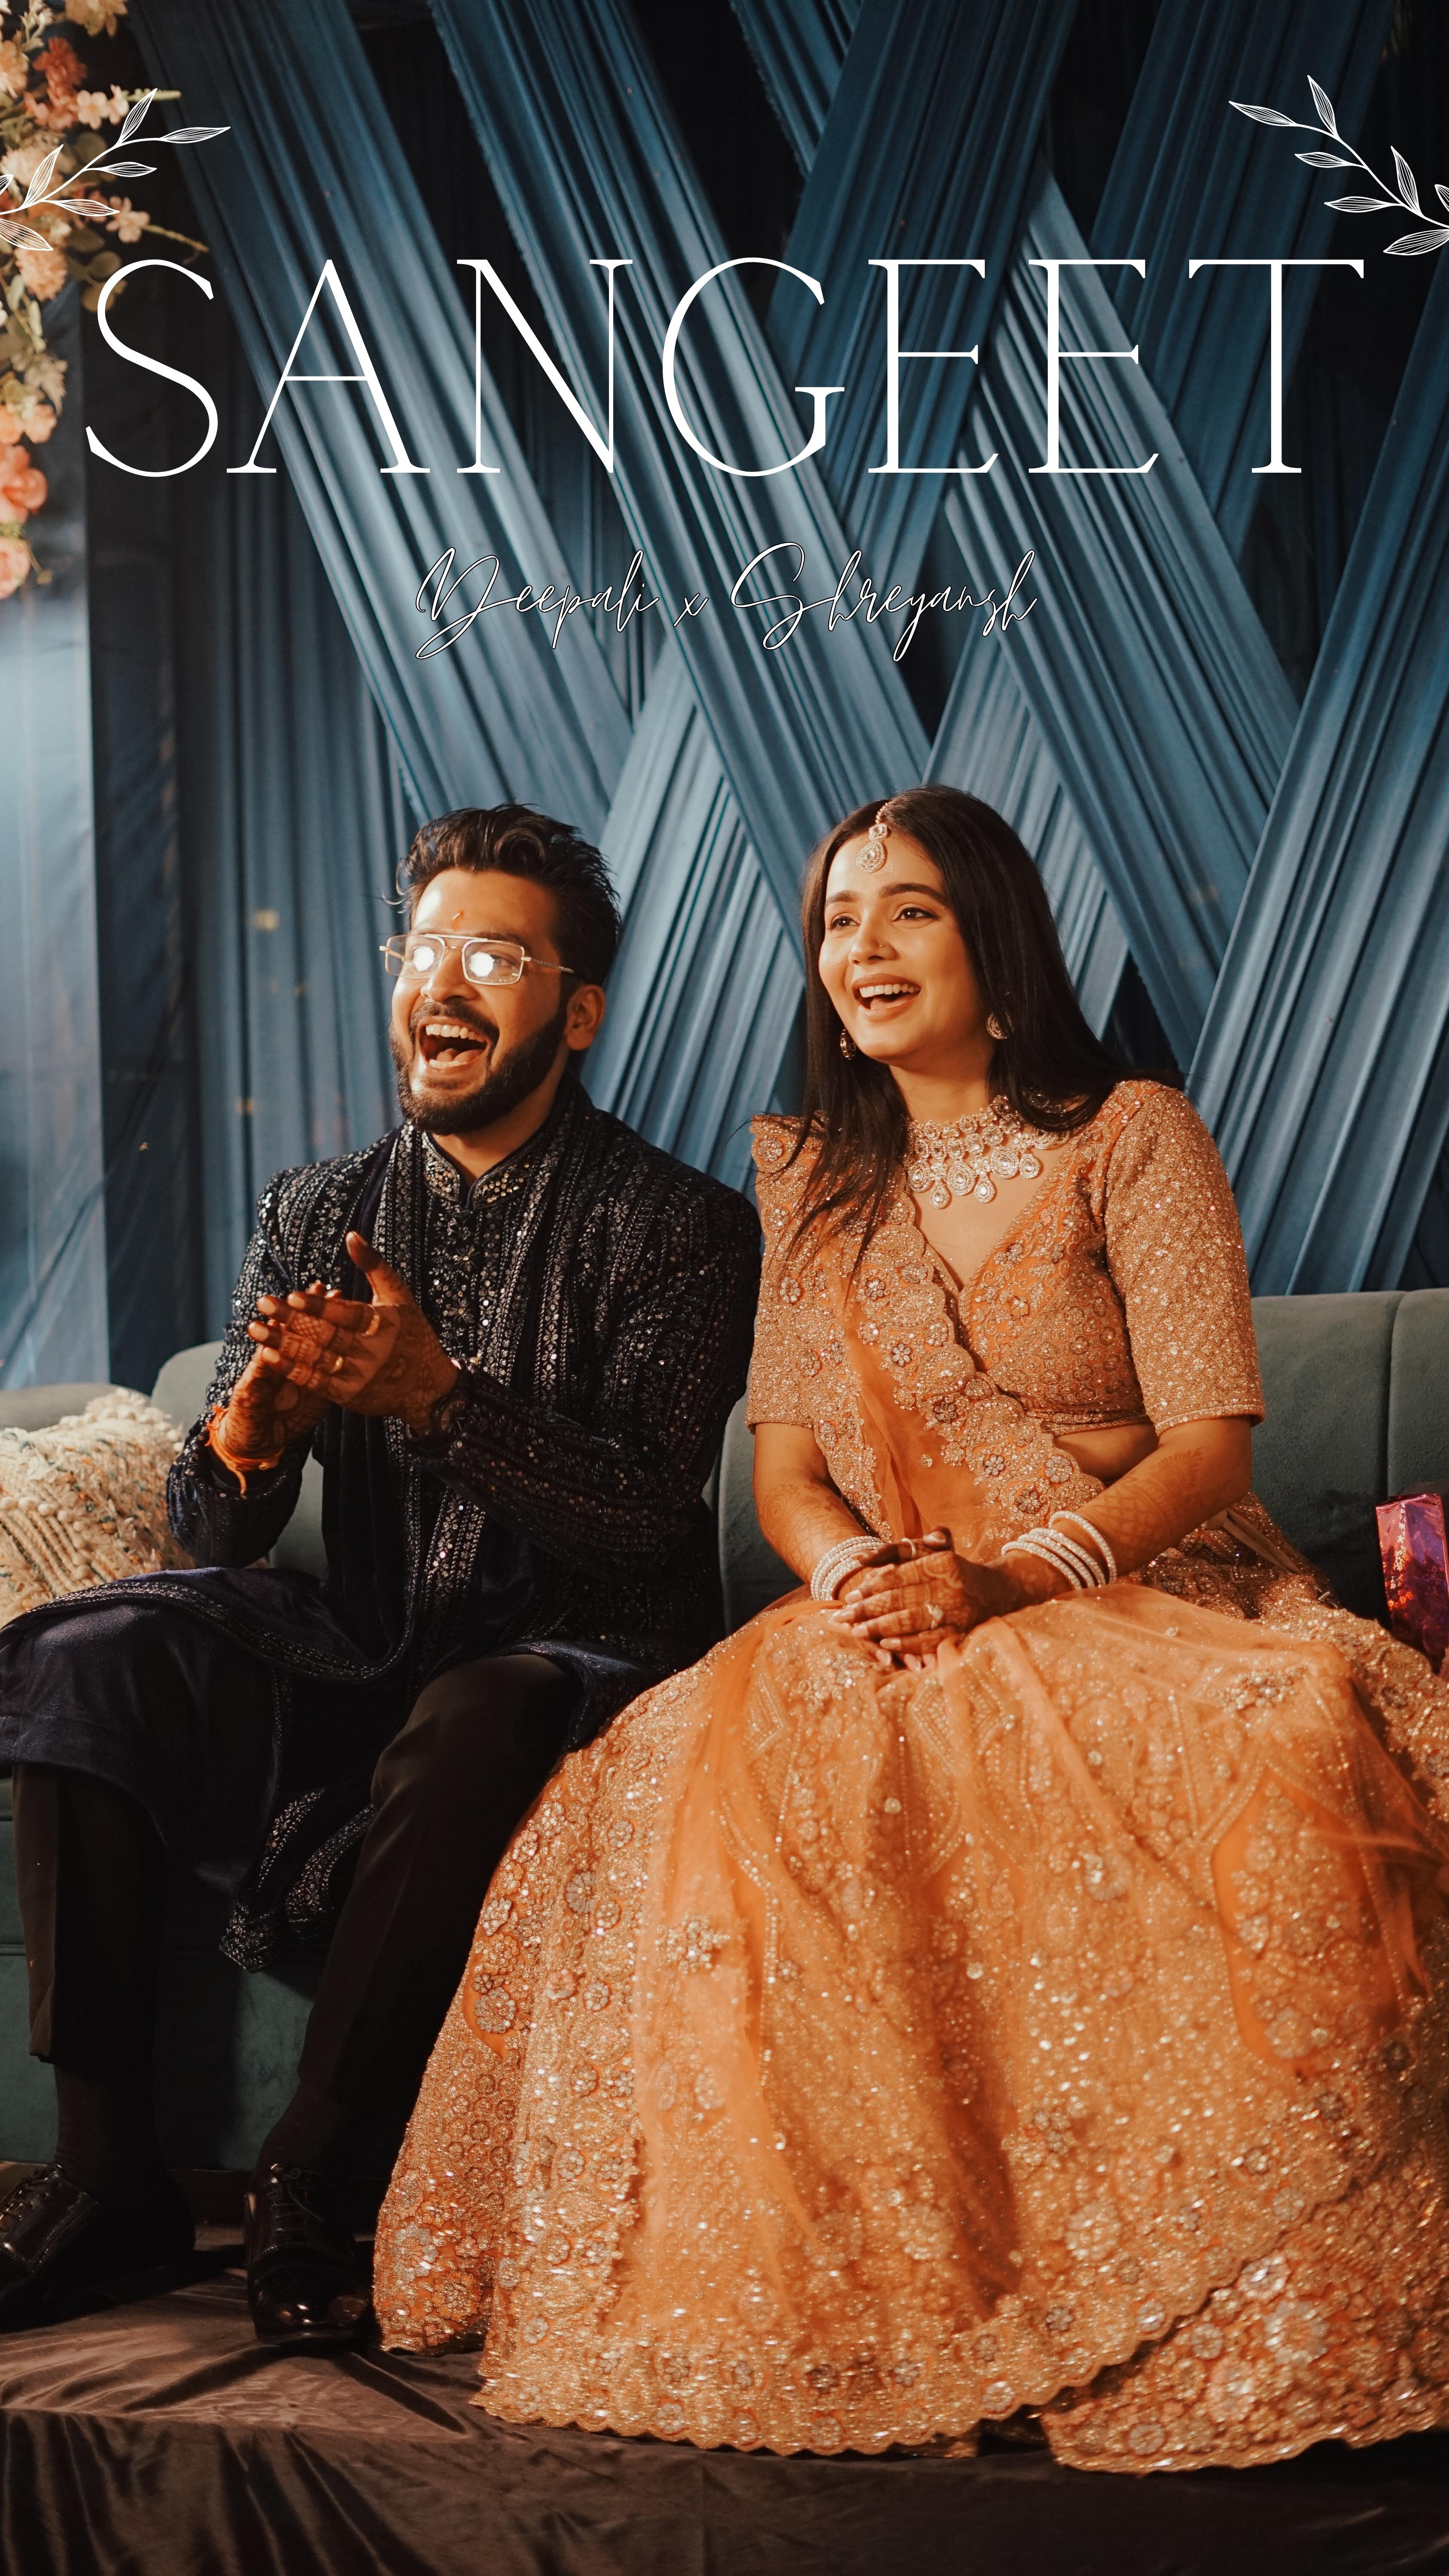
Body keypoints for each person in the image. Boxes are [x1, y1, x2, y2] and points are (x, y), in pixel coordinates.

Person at [373, 787, 1449, 2474]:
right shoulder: (815, 1184)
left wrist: (1014, 1576)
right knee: (679, 1768)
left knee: (1292, 1730)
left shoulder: (1128, 1135)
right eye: (836, 920)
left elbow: (1207, 1446)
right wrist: (848, 1578)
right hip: (893, 1599)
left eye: (908, 912)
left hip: (1131, 1593)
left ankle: (1168, 2287)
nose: (857, 948)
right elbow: (790, 1470)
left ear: (995, 943)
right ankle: (880, 2302)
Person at [0, 803, 760, 2347]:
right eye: (424, 948)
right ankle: (109, 2174)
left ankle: (316, 2184)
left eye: (496, 954)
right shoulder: (317, 1209)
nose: (445, 984)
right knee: (85, 1651)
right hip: (365, 1643)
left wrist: (437, 1399)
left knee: (477, 1712)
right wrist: (252, 1434)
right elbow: (207, 1535)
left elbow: (646, 1525)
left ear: (578, 1009)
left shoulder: (685, 1227)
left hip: (580, 1660)